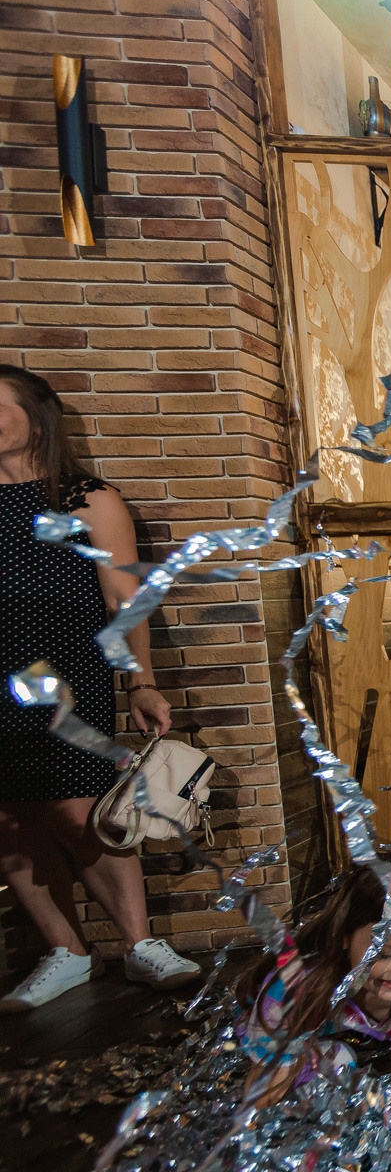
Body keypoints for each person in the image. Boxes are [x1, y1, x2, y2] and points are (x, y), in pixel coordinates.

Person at [0, 365, 200, 1011]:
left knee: (77, 809)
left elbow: (128, 599)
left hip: (58, 677)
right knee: (7, 819)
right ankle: (66, 952)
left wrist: (141, 684)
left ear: (36, 414)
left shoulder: (87, 499)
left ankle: (141, 944)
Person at [236, 847, 391, 1106]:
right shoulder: (295, 990)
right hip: (302, 1064)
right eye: (385, 953)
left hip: (375, 1059)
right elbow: (262, 1101)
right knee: (341, 1058)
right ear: (344, 935)